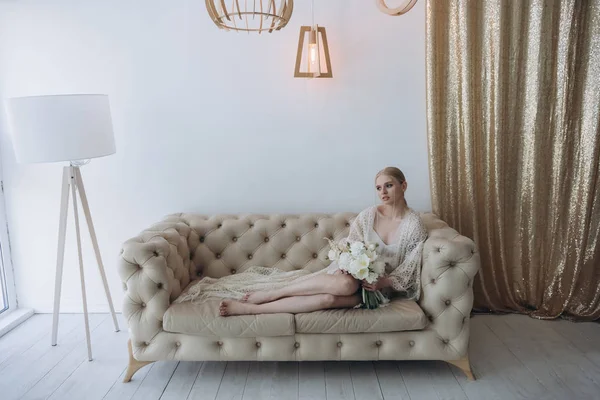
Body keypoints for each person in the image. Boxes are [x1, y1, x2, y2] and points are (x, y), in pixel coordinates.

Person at [174, 167, 428, 317]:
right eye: (378, 188)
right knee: (343, 282)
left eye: (389, 186)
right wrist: (347, 264)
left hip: (376, 288)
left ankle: (252, 309)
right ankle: (273, 292)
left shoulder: (413, 225)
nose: (382, 192)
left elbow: (409, 272)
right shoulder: (369, 215)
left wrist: (380, 281)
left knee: (328, 300)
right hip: (348, 278)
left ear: (403, 186)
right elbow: (350, 247)